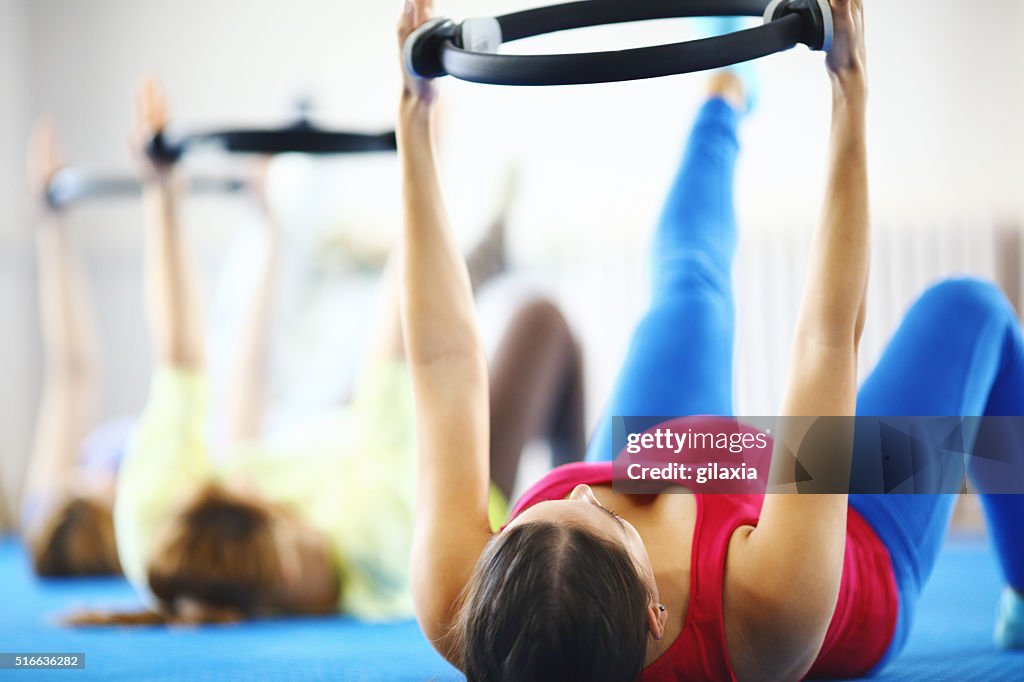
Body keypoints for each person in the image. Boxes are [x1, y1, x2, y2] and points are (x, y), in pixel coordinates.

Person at [397, 0, 1024, 680]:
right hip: (846, 534)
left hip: (673, 456)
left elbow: (442, 360)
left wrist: (413, 118)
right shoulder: (774, 605)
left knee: (688, 283)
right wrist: (849, 94)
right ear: (655, 613)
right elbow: (826, 341)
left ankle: (726, 88)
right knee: (972, 310)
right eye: (606, 522)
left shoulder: (462, 604)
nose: (581, 493)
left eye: (534, 513)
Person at [101, 77, 585, 625]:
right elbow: (412, 352)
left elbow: (179, 361)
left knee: (336, 385)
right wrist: (421, 153)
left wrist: (162, 190)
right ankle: (588, 526)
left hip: (346, 436)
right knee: (540, 322)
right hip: (452, 485)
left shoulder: (158, 540)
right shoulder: (373, 533)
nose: (244, 482)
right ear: (285, 564)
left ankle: (481, 258)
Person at [21, 120, 124, 577]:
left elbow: (72, 372)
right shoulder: (160, 514)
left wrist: (52, 226)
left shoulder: (48, 508)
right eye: (99, 488)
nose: (95, 474)